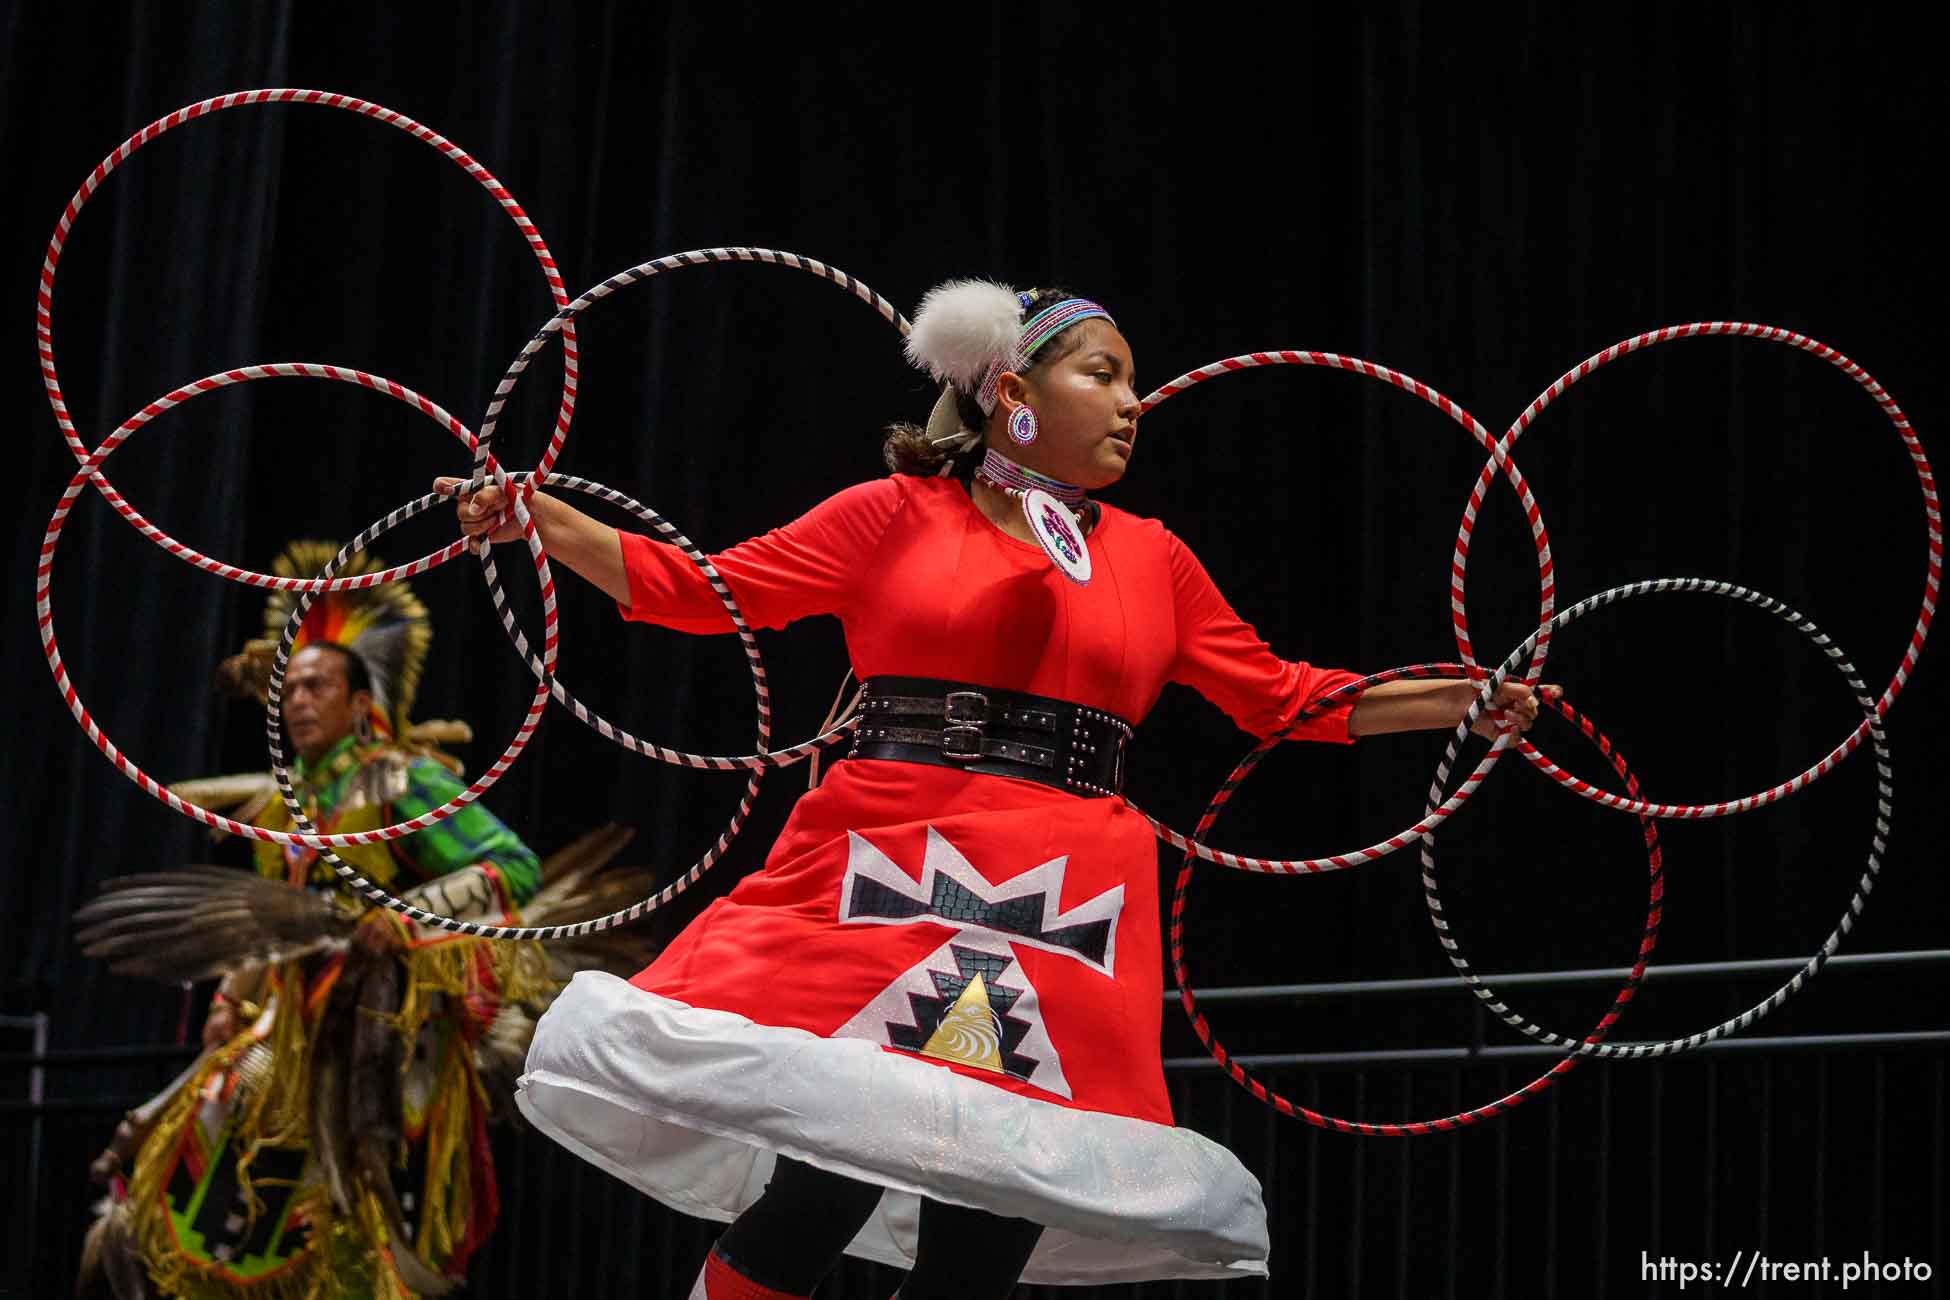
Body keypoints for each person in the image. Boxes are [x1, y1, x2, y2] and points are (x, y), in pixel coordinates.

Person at [442, 281, 1552, 1298]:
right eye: (1103, 373)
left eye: (1133, 380)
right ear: (1012, 392)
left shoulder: (1154, 556)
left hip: (1066, 893)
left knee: (994, 1220)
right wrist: (531, 513)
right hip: (886, 862)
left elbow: (1286, 697)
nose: (1134, 401)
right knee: (819, 1186)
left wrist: (1466, 698)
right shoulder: (889, 515)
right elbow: (696, 590)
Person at [75, 544, 550, 1300]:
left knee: (359, 1183)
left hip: (386, 1022)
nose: (296, 701)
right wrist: (232, 998)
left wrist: (405, 920)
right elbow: (271, 927)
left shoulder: (398, 778)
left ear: (361, 704)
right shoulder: (283, 804)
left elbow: (512, 867)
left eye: (315, 685)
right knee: (202, 1129)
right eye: (287, 688)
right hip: (289, 1019)